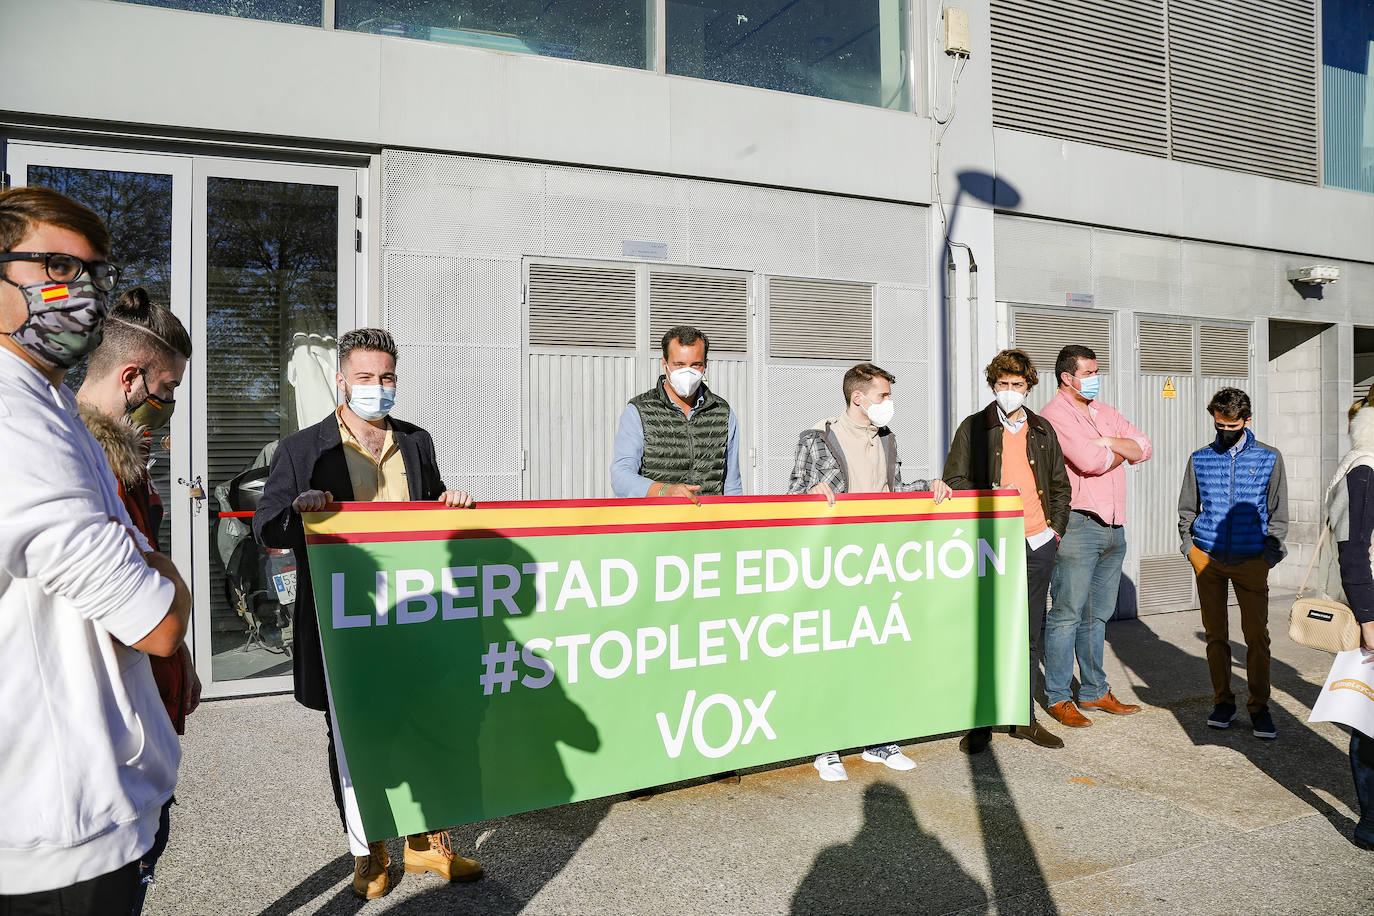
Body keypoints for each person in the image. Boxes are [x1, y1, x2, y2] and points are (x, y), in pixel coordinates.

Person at [0, 187, 191, 912]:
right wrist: (164, 575)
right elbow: (159, 620)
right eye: (51, 267)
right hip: (56, 833)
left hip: (98, 802)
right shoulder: (16, 422)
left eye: (89, 275)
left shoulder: (53, 412)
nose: (76, 293)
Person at [253, 328, 481, 899]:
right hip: (342, 626)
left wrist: (447, 504)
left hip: (416, 621)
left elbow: (433, 518)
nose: (377, 389)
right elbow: (267, 526)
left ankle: (426, 843)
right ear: (341, 380)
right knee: (354, 737)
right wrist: (300, 512)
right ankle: (369, 850)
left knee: (429, 729)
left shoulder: (417, 442)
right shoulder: (304, 450)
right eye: (365, 378)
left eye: (386, 379)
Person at [76, 286, 201, 911]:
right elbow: (151, 613)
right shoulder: (82, 466)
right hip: (111, 730)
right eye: (168, 389)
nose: (171, 404)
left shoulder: (123, 458)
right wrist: (172, 578)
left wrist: (186, 668)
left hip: (149, 699)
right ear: (132, 377)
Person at [787, 362, 953, 781]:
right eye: (883, 396)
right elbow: (791, 493)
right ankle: (824, 745)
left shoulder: (887, 439)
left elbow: (891, 492)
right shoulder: (817, 438)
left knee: (877, 653)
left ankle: (877, 739)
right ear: (857, 397)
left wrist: (929, 486)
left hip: (878, 563)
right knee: (830, 656)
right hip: (833, 565)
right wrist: (811, 492)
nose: (888, 404)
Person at [944, 349, 1071, 753]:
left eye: (1017, 385)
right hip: (991, 544)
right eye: (1003, 385)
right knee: (987, 631)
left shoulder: (1042, 428)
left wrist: (1055, 532)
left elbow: (1060, 486)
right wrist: (988, 494)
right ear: (993, 386)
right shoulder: (974, 428)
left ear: (1029, 387)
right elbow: (955, 479)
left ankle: (1022, 718)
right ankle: (981, 721)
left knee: (1031, 632)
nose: (1010, 391)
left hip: (1037, 542)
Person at [1040, 344, 1152, 727]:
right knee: (1066, 614)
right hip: (1079, 526)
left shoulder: (1104, 412)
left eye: (1096, 371)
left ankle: (1093, 692)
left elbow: (1146, 447)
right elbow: (1091, 462)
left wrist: (1109, 444)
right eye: (1088, 373)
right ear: (1066, 378)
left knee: (1097, 616)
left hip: (1113, 526)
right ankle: (1057, 696)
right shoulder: (1054, 415)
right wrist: (1120, 451)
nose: (1094, 379)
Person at [1178, 387, 1288, 739]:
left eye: (1231, 426)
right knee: (1216, 637)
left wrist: (1268, 557)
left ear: (1247, 421)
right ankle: (1223, 702)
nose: (1224, 431)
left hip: (1251, 561)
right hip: (1208, 560)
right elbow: (1187, 510)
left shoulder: (1269, 458)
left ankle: (1259, 707)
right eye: (1219, 424)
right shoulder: (1200, 458)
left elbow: (1278, 514)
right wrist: (1190, 550)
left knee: (1257, 638)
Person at [1323, 393, 1374, 849]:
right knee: (1370, 720)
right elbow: (1353, 551)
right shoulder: (1363, 468)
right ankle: (1371, 823)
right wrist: (1370, 620)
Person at [611, 325, 743, 501]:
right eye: (679, 364)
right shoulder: (639, 411)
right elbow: (621, 476)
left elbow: (732, 483)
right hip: (657, 524)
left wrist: (734, 523)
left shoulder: (722, 413)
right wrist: (664, 491)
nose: (687, 372)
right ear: (664, 364)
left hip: (708, 524)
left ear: (705, 365)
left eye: (695, 364)